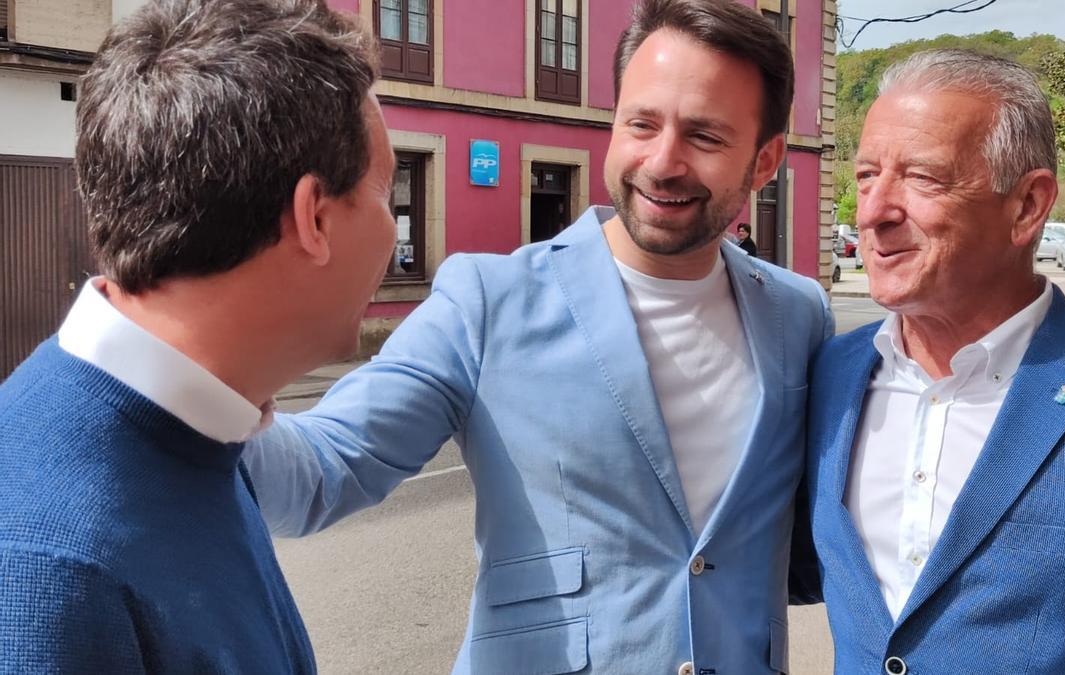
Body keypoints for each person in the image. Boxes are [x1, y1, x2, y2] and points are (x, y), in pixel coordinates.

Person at [243, 0, 830, 672]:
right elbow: (318, 474)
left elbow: (820, 534)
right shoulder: (488, 301)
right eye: (641, 124)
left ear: (765, 162)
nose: (663, 161)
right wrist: (201, 360)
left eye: (705, 137)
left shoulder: (798, 314)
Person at [0, 0, 391, 670]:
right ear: (314, 219)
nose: (391, 229)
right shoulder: (50, 570)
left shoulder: (199, 422)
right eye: (386, 191)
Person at [800, 49, 1065, 673]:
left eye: (923, 178)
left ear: (1026, 206)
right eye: (866, 175)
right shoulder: (830, 373)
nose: (872, 212)